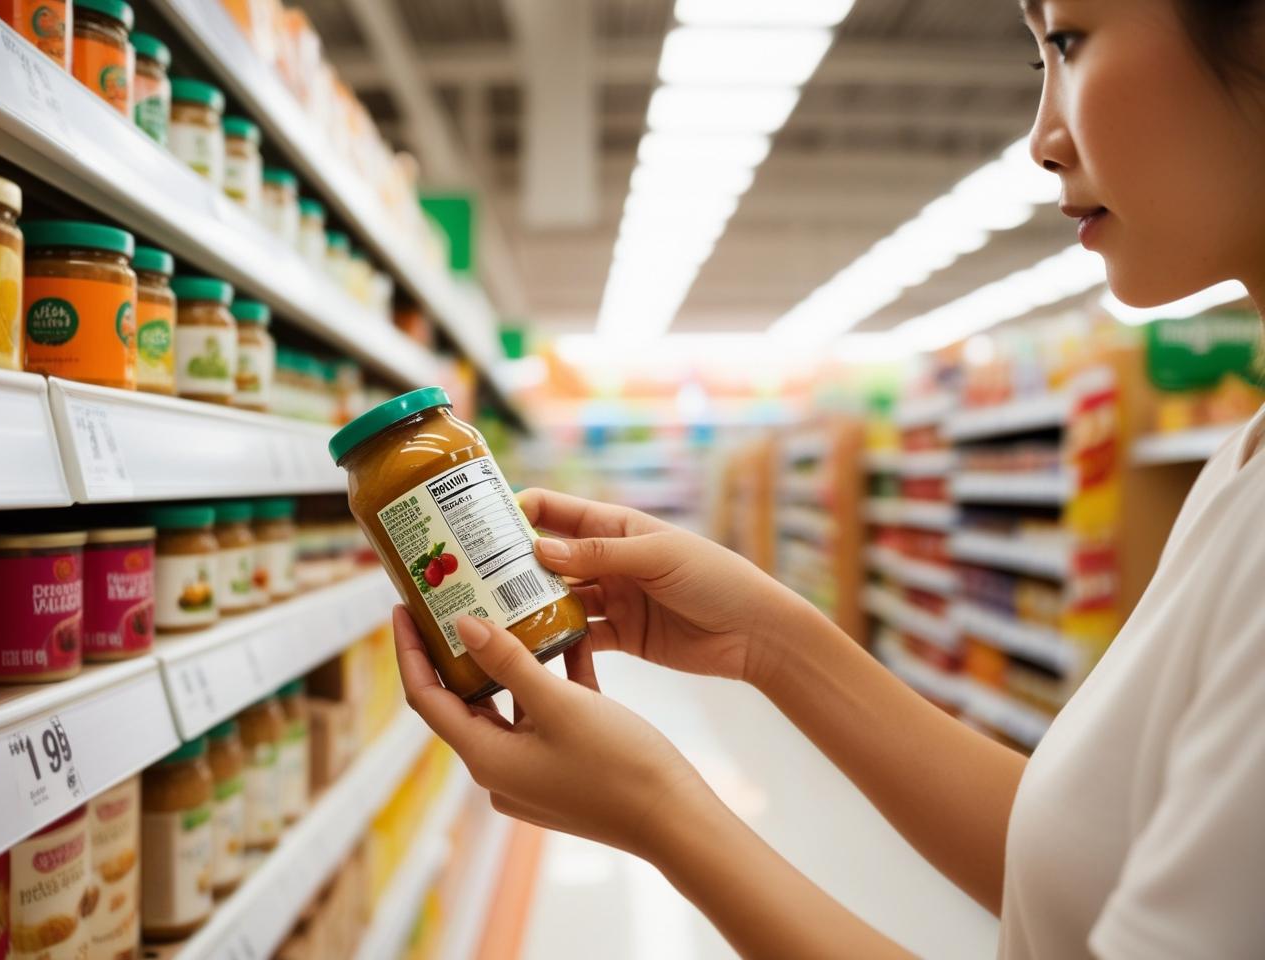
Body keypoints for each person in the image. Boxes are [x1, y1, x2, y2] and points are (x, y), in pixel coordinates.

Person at [392, 1, 1265, 956]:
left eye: (1068, 40)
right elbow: (1090, 871)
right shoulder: (1242, 462)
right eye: (1036, 63)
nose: (1041, 140)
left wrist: (660, 812)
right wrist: (773, 639)